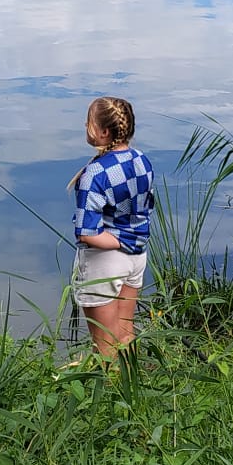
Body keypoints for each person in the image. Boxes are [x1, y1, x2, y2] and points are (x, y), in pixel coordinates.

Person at [70, 95, 154, 357]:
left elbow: (87, 233)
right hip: (137, 258)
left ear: (104, 132)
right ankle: (133, 391)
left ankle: (108, 393)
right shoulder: (141, 160)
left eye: (88, 123)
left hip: (105, 262)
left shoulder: (94, 173)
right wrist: (130, 239)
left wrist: (119, 241)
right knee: (125, 333)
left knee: (104, 347)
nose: (85, 126)